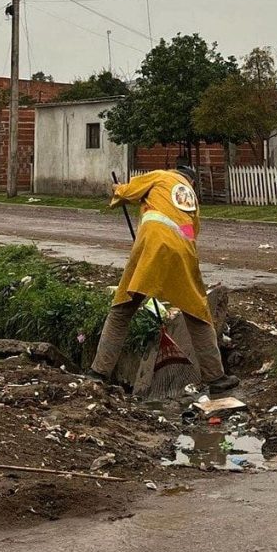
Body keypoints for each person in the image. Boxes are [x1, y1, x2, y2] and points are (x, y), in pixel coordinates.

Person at [90, 166, 239, 394]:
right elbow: (191, 232)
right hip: (183, 251)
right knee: (197, 314)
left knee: (122, 310)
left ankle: (99, 373)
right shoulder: (192, 200)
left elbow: (128, 192)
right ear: (192, 182)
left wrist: (117, 189)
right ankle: (216, 377)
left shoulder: (161, 176)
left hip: (152, 245)